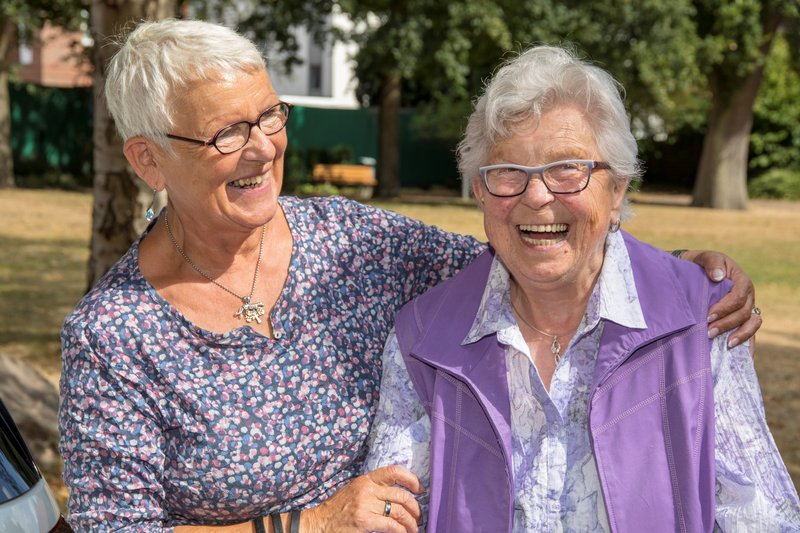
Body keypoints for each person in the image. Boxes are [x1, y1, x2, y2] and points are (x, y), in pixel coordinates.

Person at [58, 20, 760, 532]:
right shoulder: (114, 335)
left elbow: (526, 241)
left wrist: (680, 273)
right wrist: (308, 524)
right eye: (225, 133)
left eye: (269, 116)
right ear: (148, 161)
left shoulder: (355, 243)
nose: (262, 149)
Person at [365, 45, 800, 532]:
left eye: (567, 168)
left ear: (617, 190)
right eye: (508, 171)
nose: (536, 196)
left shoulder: (703, 321)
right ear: (481, 192)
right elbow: (390, 513)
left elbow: (762, 518)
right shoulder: (422, 338)